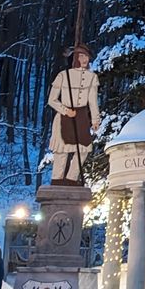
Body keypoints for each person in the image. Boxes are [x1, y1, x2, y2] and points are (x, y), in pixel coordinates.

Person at [48, 45, 102, 185]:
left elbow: (92, 101)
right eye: (81, 56)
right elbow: (52, 100)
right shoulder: (63, 75)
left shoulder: (92, 77)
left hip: (81, 117)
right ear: (75, 58)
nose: (85, 59)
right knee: (62, 150)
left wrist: (95, 120)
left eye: (87, 56)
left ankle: (72, 178)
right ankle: (57, 179)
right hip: (64, 117)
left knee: (83, 149)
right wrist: (65, 110)